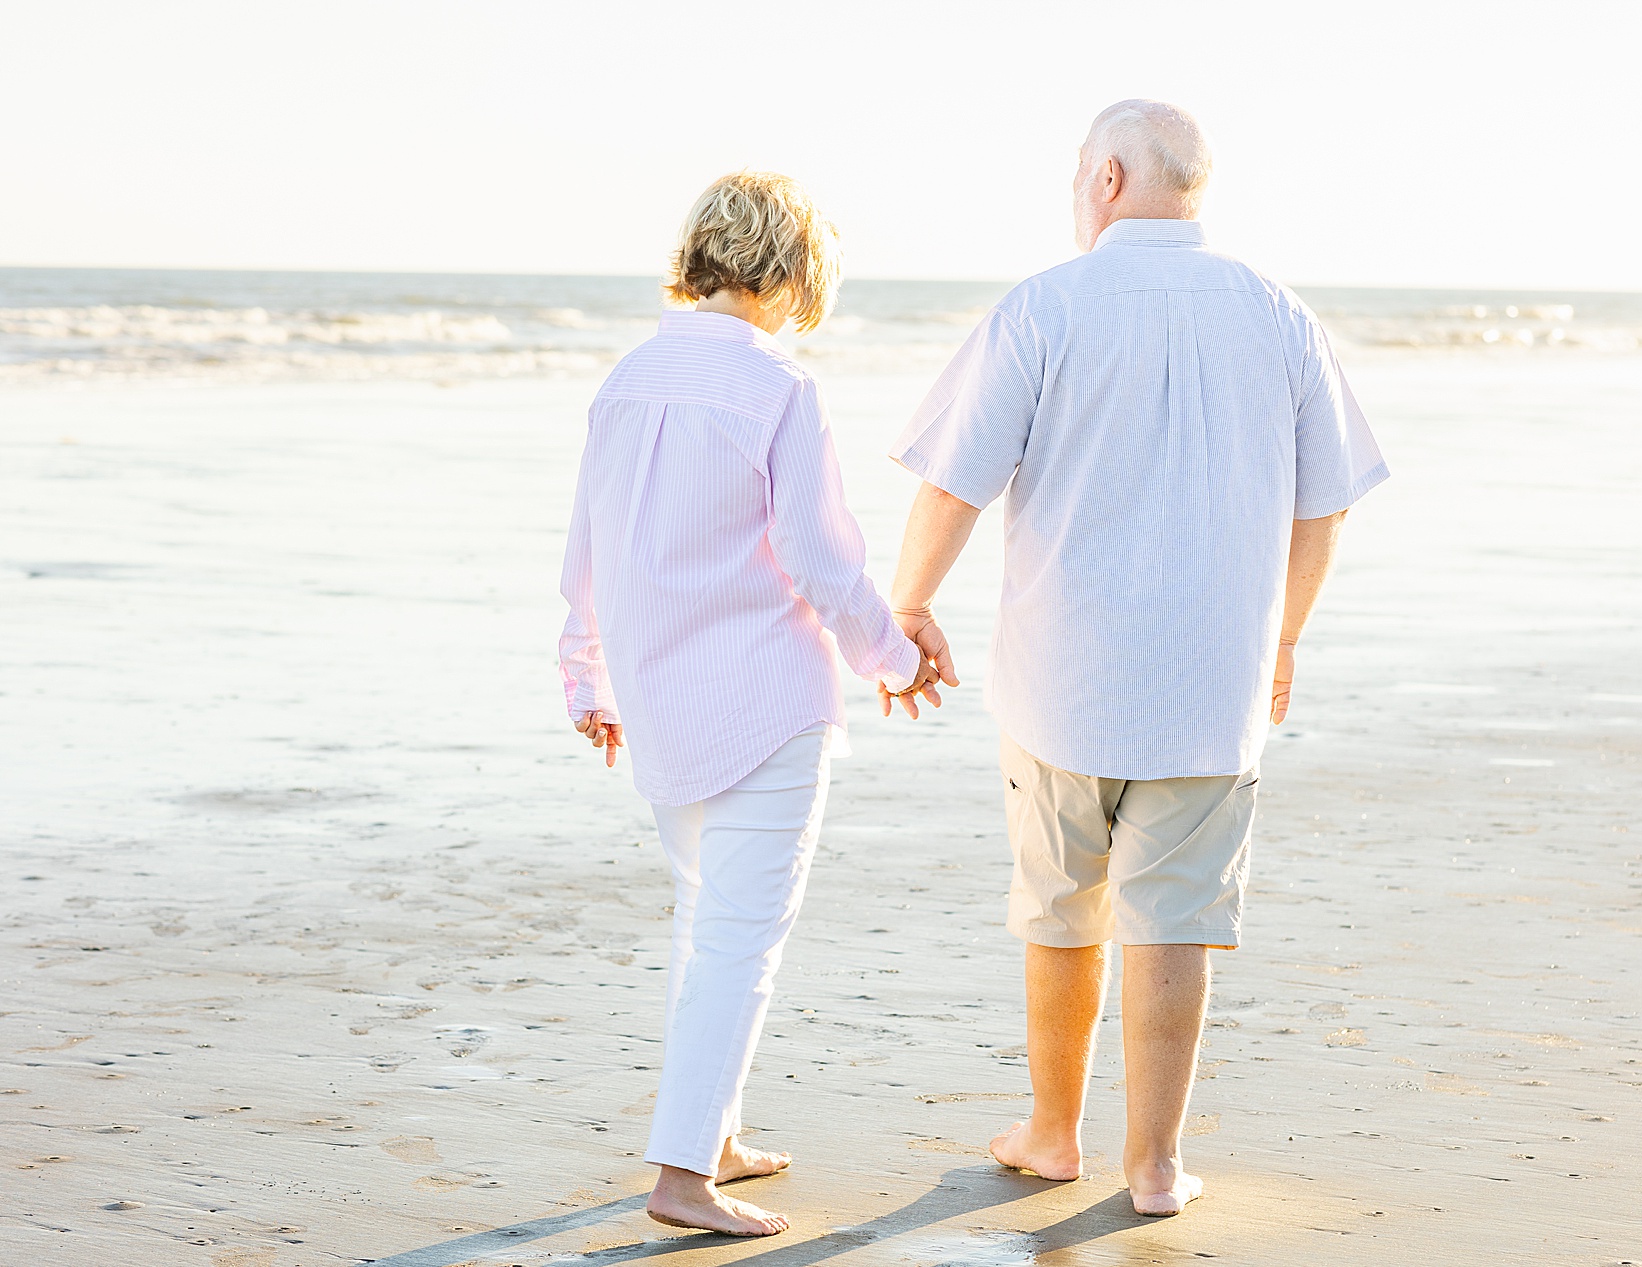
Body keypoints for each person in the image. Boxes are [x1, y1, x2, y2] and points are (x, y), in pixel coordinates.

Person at [884, 100, 1388, 1216]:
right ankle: (1154, 1164)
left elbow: (952, 483)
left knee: (1063, 905)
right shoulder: (1278, 313)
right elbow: (1326, 506)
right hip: (1213, 680)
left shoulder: (1044, 308)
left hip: (1061, 678)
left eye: (1077, 173)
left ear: (1108, 178)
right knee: (1177, 914)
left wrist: (907, 607)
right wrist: (1286, 633)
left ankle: (1053, 1134)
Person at [557, 171, 942, 1237]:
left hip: (660, 696)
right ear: (787, 269)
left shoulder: (627, 378)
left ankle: (711, 1133)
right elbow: (817, 555)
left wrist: (585, 675)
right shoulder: (778, 385)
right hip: (766, 702)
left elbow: (588, 546)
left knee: (706, 921)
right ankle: (682, 1175)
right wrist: (895, 660)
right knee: (740, 934)